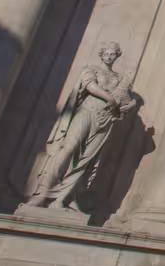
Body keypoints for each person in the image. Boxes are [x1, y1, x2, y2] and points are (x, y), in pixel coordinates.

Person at [27, 41, 136, 210]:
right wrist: (110, 99)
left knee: (86, 160)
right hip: (88, 111)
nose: (109, 56)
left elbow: (125, 101)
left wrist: (128, 105)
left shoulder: (119, 78)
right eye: (106, 53)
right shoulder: (91, 69)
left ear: (117, 56)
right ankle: (43, 192)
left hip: (106, 119)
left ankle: (65, 198)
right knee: (68, 148)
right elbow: (91, 87)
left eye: (113, 54)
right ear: (101, 54)